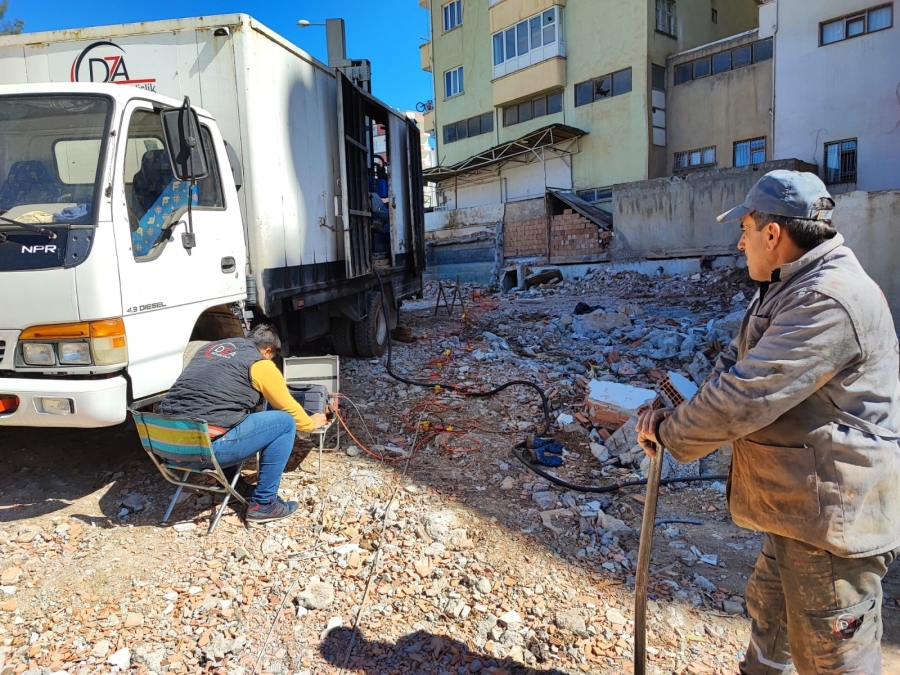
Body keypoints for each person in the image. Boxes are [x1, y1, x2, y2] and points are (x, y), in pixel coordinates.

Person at [636, 170, 900, 675]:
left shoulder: (827, 297)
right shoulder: (790, 286)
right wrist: (680, 414)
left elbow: (749, 394)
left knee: (833, 658)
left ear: (773, 234)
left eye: (746, 229)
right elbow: (735, 368)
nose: (740, 243)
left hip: (832, 521)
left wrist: (672, 434)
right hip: (799, 509)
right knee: (771, 627)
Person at [158, 324, 328, 524]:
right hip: (201, 451)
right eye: (272, 357)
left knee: (233, 415)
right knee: (284, 423)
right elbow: (288, 406)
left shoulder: (209, 350)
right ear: (267, 351)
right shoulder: (260, 364)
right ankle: (264, 504)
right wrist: (310, 423)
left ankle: (230, 485)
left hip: (163, 444)